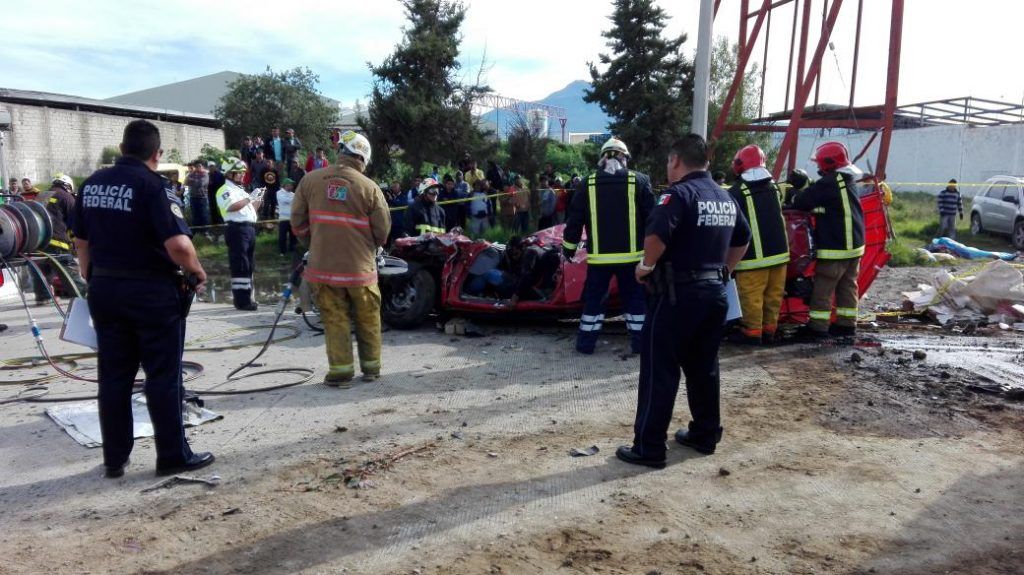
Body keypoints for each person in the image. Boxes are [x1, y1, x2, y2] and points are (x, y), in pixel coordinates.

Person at [72, 119, 213, 478]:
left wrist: (92, 279)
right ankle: (172, 456)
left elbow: (82, 244)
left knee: (114, 377)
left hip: (104, 289)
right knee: (163, 376)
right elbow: (179, 246)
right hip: (150, 293)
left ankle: (114, 459)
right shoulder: (154, 186)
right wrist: (197, 271)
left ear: (121, 150)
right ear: (157, 154)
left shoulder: (90, 185)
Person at [615, 134, 751, 469]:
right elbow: (743, 239)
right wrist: (724, 272)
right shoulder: (725, 196)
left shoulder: (678, 195)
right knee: (704, 367)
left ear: (676, 160)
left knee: (659, 370)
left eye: (668, 162)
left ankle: (649, 448)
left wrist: (645, 267)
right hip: (715, 295)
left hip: (677, 296)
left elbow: (657, 235)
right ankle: (705, 435)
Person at [291, 131, 391, 386]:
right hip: (360, 271)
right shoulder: (370, 188)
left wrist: (315, 244)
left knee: (335, 320)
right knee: (368, 318)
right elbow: (382, 233)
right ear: (363, 159)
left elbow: (298, 224)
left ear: (340, 152)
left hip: (323, 269)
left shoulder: (310, 181)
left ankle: (341, 373)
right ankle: (371, 369)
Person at [563, 137, 654, 355]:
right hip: (632, 259)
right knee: (635, 302)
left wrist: (568, 248)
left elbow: (574, 220)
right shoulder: (639, 181)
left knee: (594, 302)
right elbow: (653, 220)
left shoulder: (588, 183)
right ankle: (641, 345)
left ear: (602, 158)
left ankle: (586, 345)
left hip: (599, 260)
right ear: (625, 158)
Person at [791, 141, 865, 340]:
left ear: (827, 163)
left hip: (836, 248)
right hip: (855, 248)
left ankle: (818, 328)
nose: (817, 168)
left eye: (819, 164)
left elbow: (802, 202)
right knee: (848, 286)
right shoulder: (848, 180)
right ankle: (847, 325)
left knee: (823, 287)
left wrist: (798, 191)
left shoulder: (830, 182)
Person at [725, 145, 789, 345]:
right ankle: (769, 331)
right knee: (773, 296)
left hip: (753, 258)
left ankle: (751, 334)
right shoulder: (774, 187)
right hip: (779, 255)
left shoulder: (737, 191)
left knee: (752, 297)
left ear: (739, 165)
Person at [29, 175, 88, 303]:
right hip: (57, 242)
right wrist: (76, 243)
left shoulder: (41, 195)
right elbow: (76, 223)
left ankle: (43, 296)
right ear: (67, 186)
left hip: (37, 242)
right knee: (68, 269)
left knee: (42, 269)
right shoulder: (66, 197)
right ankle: (84, 295)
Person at [216, 158, 262, 311]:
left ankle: (248, 298)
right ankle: (242, 302)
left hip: (248, 228)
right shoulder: (224, 190)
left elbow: (251, 211)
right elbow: (232, 207)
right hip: (237, 229)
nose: (243, 176)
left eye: (243, 173)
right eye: (239, 173)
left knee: (249, 265)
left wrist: (258, 199)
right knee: (240, 266)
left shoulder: (240, 191)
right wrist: (249, 198)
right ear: (230, 173)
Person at [185, 161, 210, 228]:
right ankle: (196, 231)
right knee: (195, 215)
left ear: (202, 167)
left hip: (202, 198)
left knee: (203, 215)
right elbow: (186, 182)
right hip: (193, 197)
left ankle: (205, 231)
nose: (198, 168)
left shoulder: (205, 174)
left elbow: (201, 184)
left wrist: (192, 180)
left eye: (199, 166)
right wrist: (193, 179)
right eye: (196, 166)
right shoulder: (191, 174)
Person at [276, 178, 298, 255]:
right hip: (283, 218)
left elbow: (297, 202)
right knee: (282, 236)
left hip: (292, 218)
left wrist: (292, 200)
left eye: (292, 185)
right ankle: (282, 252)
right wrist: (292, 200)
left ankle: (292, 250)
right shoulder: (279, 193)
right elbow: (284, 200)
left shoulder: (294, 194)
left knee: (293, 235)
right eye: (290, 185)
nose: (292, 186)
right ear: (285, 185)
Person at [206, 161, 225, 241]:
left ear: (215, 166)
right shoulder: (207, 175)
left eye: (212, 166)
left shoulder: (220, 175)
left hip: (219, 195)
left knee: (220, 211)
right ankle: (215, 229)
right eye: (210, 167)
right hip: (211, 196)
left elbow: (223, 184)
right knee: (213, 212)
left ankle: (222, 228)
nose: (211, 168)